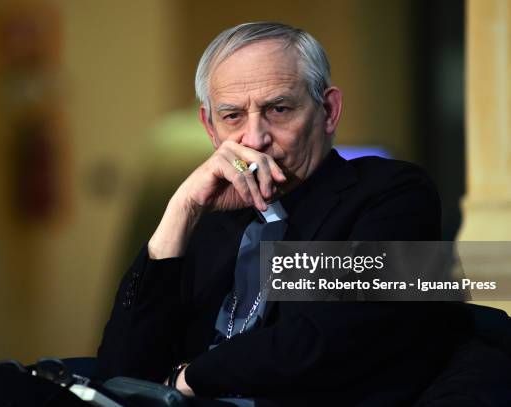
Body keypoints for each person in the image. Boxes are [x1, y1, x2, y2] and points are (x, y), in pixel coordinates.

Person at [97, 22, 469, 406]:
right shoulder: (209, 217)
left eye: (278, 109)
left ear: (328, 111)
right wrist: (182, 209)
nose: (255, 139)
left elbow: (327, 337)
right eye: (232, 117)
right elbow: (120, 370)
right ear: (209, 127)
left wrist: (189, 377)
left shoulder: (393, 194)